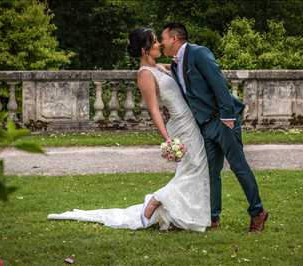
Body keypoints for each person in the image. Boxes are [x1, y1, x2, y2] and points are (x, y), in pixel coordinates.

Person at [47, 28, 211, 232]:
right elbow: (154, 110)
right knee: (195, 167)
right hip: (180, 124)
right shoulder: (144, 75)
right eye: (154, 42)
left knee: (194, 168)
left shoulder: (159, 67)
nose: (159, 44)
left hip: (189, 120)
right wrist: (167, 138)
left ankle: (178, 214)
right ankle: (156, 200)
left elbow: (185, 69)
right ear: (145, 50)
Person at [160, 22, 268, 232]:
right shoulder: (176, 63)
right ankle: (213, 217)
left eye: (163, 38)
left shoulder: (199, 53)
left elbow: (218, 82)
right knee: (211, 172)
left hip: (222, 120)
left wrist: (228, 116)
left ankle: (258, 212)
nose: (162, 43)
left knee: (239, 166)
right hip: (205, 125)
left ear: (174, 38)